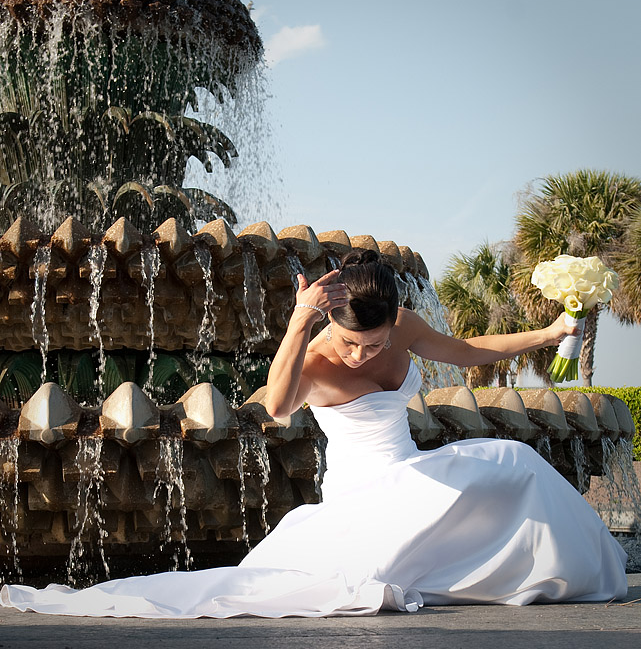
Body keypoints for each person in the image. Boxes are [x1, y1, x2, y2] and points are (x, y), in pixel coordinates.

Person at [1, 251, 627, 618]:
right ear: (331, 321)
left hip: (406, 472)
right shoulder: (318, 355)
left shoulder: (403, 326)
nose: (360, 356)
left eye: (374, 344)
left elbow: (468, 352)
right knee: (354, 581)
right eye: (351, 341)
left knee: (517, 463)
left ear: (394, 324)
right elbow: (275, 405)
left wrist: (547, 335)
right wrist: (299, 323)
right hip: (361, 492)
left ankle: (567, 573)